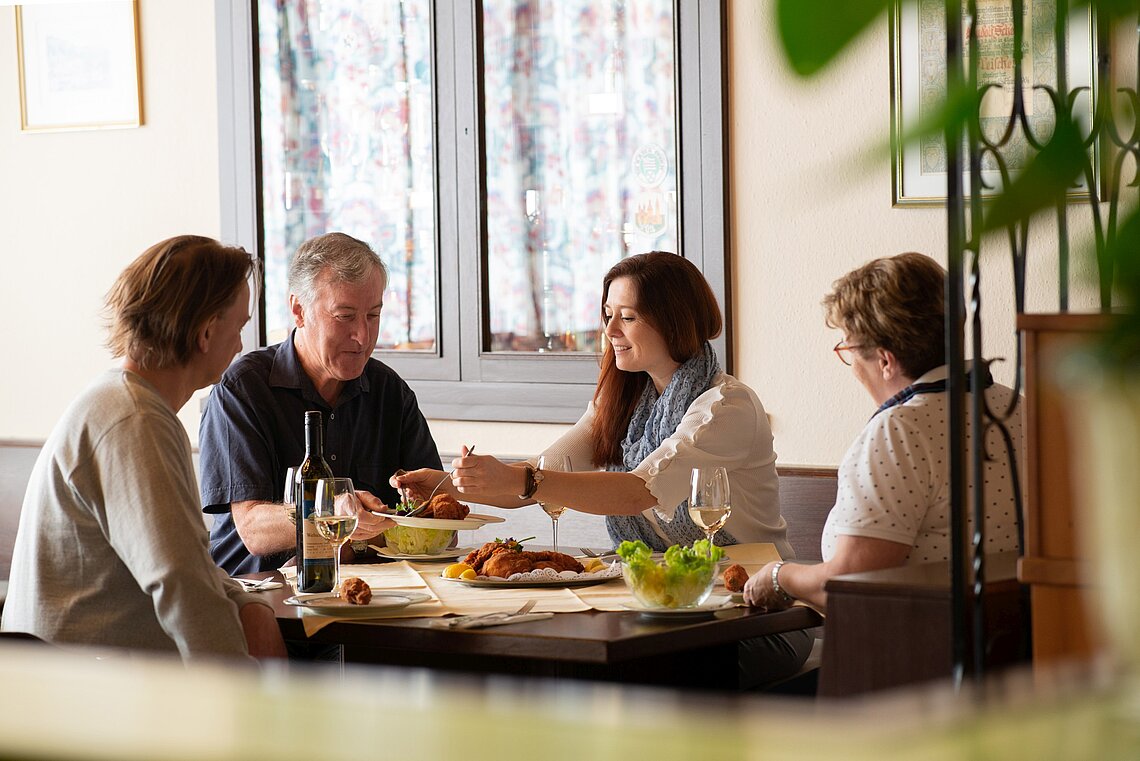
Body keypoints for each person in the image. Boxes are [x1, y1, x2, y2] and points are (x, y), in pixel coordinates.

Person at [395, 251, 808, 688]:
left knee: (605, 680)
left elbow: (639, 490)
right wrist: (449, 489)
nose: (609, 331)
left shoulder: (725, 406)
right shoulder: (625, 401)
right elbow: (548, 470)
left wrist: (523, 479)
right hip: (657, 607)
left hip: (753, 615)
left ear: (674, 321)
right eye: (608, 315)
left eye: (626, 317)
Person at [2, 236, 286, 661]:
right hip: (86, 693)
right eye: (239, 327)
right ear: (206, 332)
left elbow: (184, 564)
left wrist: (249, 603)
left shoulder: (121, 400)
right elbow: (180, 582)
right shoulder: (135, 419)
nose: (241, 345)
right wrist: (245, 706)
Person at [744, 253, 1023, 613]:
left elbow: (853, 585)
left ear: (886, 360)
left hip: (919, 647)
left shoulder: (899, 432)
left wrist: (780, 577)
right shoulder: (1016, 406)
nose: (852, 367)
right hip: (1016, 639)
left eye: (848, 349)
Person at [199, 232, 441, 576]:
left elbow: (432, 515)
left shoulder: (390, 392)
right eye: (344, 316)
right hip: (261, 599)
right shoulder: (242, 391)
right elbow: (253, 529)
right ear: (299, 310)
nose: (363, 336)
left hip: (375, 598)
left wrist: (426, 504)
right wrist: (330, 510)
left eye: (373, 315)